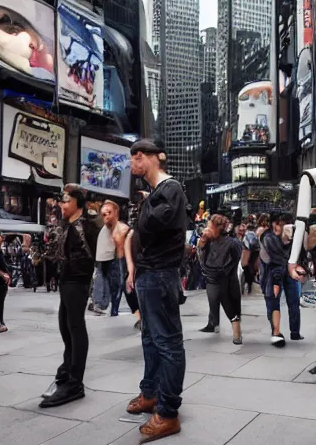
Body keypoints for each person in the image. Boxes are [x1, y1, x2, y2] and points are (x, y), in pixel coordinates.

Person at [124, 139, 188, 442]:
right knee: (150, 338)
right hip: (149, 275)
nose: (132, 164)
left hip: (162, 275)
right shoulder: (156, 194)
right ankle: (150, 393)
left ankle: (168, 412)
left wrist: (145, 204)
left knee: (168, 342)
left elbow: (148, 226)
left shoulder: (170, 189)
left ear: (150, 159)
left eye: (136, 158)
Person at [40, 184, 100, 408]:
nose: (61, 204)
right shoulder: (70, 225)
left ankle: (75, 382)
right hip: (67, 281)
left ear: (77, 202)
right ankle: (66, 372)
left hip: (78, 281)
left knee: (75, 327)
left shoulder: (87, 226)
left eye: (66, 200)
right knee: (65, 327)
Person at [198, 214, 243, 344]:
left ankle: (236, 332)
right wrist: (203, 239)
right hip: (212, 277)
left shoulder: (232, 243)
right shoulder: (208, 240)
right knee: (213, 302)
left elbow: (235, 260)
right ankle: (213, 323)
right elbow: (200, 252)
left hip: (227, 278)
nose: (208, 229)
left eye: (210, 226)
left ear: (218, 228)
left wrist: (226, 271)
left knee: (231, 305)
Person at [260, 212, 303, 346]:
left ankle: (295, 331)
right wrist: (287, 241)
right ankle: (275, 331)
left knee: (294, 302)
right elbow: (281, 256)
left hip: (288, 272)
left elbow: (298, 253)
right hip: (273, 273)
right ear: (274, 224)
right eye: (281, 223)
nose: (284, 226)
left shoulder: (292, 236)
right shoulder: (268, 237)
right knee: (273, 303)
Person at [91, 201, 130, 316]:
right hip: (104, 256)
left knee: (105, 280)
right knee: (104, 280)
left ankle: (101, 304)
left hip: (109, 257)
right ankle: (101, 304)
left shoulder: (115, 225)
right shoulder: (108, 224)